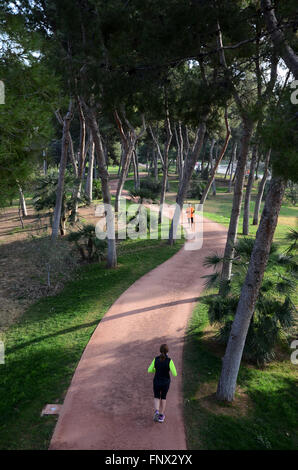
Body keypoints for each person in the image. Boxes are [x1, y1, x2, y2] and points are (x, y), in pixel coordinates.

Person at [147, 344, 177, 423]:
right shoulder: (169, 361)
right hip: (165, 382)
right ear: (168, 351)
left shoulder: (155, 359)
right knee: (163, 397)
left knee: (156, 397)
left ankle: (156, 411)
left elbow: (149, 370)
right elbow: (175, 374)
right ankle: (161, 415)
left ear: (160, 351)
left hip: (156, 381)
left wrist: (155, 370)